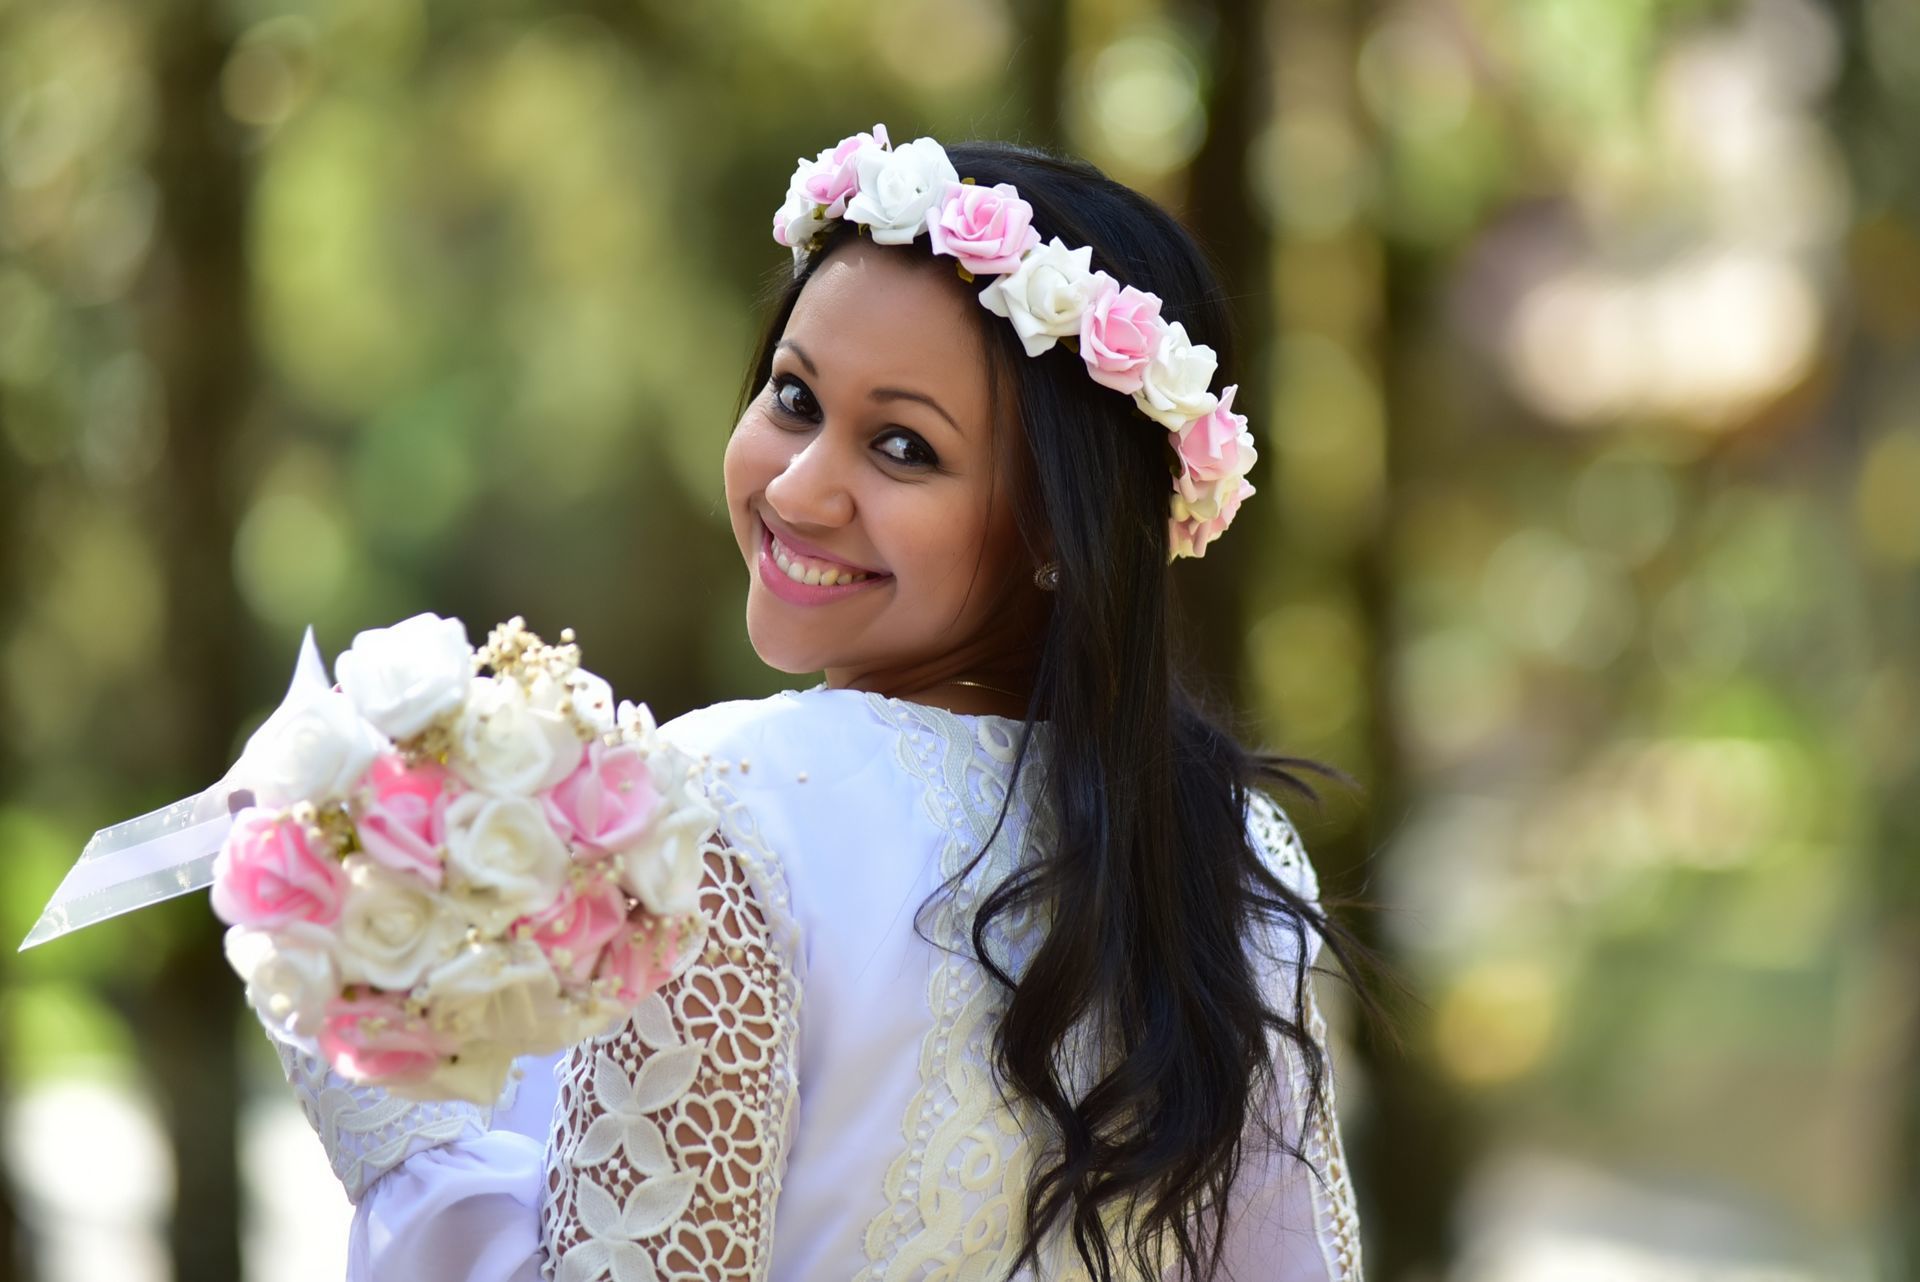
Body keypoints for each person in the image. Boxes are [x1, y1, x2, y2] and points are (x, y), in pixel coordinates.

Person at [264, 129, 1380, 1282]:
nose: (799, 486)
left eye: (902, 447)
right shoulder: (1237, 845)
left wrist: (397, 1129)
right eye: (793, 398)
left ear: (1059, 528)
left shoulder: (715, 813)